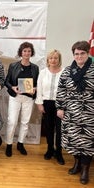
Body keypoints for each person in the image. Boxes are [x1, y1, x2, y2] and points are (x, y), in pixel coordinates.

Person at [56, 41, 94, 185]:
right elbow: (61, 90)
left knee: (87, 143)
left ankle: (85, 170)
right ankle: (77, 164)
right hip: (71, 113)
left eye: (82, 53)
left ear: (88, 53)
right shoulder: (67, 71)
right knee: (74, 140)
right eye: (76, 54)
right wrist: (60, 107)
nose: (79, 56)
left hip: (90, 113)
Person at [5, 41, 39, 157]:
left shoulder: (35, 68)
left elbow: (37, 84)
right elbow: (6, 82)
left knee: (25, 122)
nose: (27, 53)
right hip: (15, 97)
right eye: (25, 51)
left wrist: (35, 88)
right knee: (12, 121)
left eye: (29, 51)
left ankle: (20, 144)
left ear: (31, 53)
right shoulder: (13, 66)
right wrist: (13, 87)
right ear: (21, 52)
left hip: (28, 99)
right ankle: (9, 144)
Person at [35, 49, 65, 165]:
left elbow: (66, 90)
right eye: (51, 58)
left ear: (59, 60)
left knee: (59, 130)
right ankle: (49, 149)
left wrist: (63, 106)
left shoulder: (64, 72)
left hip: (60, 104)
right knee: (49, 128)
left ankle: (59, 152)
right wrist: (39, 103)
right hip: (46, 103)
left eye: (55, 58)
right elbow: (39, 88)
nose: (53, 60)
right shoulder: (43, 72)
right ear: (48, 60)